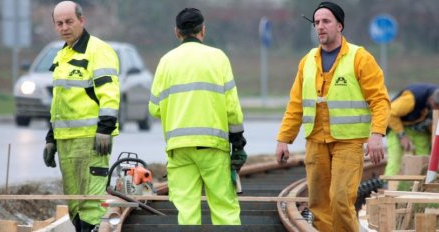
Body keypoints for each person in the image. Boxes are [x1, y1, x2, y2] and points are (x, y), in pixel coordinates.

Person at [275, 2, 390, 231]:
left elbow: (379, 100)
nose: (320, 27)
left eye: (326, 21)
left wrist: (376, 134)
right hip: (316, 142)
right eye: (316, 22)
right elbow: (296, 104)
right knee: (319, 205)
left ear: (340, 26)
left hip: (348, 144)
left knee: (340, 201)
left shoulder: (360, 57)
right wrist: (283, 140)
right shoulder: (307, 61)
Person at [148, 8, 247, 225]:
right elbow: (232, 107)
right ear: (203, 30)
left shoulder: (166, 61)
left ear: (177, 32)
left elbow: (154, 108)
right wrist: (238, 143)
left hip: (179, 148)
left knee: (187, 212)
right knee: (224, 209)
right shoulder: (218, 58)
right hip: (213, 147)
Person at [42, 1, 120, 231]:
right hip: (67, 142)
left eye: (69, 22)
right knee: (75, 204)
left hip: (91, 141)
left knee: (91, 205)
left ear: (81, 21)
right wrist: (51, 139)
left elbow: (109, 93)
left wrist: (105, 130)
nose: (65, 27)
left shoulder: (98, 50)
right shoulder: (63, 55)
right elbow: (59, 102)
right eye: (59, 23)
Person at [384, 84, 439, 178]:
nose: (437, 109)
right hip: (397, 126)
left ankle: (421, 185)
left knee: (424, 159)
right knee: (395, 158)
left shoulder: (434, 103)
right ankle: (389, 184)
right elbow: (390, 114)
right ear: (431, 99)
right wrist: (402, 136)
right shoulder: (411, 99)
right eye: (436, 106)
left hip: (419, 130)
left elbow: (433, 128)